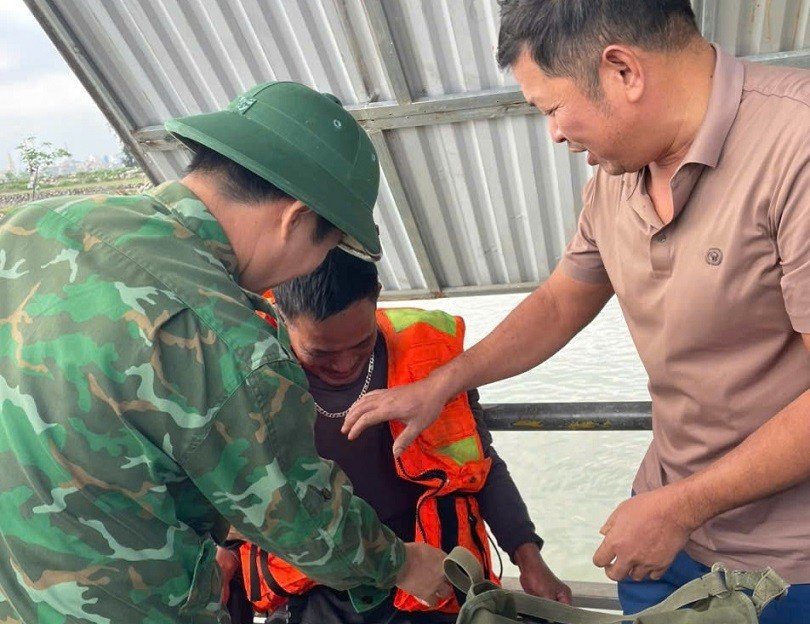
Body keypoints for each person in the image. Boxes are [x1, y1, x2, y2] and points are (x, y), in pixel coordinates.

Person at [341, 2, 810, 622]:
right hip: (663, 528)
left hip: (785, 567)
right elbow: (563, 299)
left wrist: (681, 508)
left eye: (553, 109)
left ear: (623, 71)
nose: (555, 134)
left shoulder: (795, 146)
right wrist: (441, 383)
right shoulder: (620, 170)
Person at [0, 81, 450, 624]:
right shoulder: (223, 336)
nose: (311, 268)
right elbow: (304, 524)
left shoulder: (30, 228)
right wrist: (402, 563)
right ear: (296, 219)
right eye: (325, 248)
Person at [225, 248, 570, 624]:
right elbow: (223, 498)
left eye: (361, 344)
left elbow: (478, 463)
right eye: (320, 353)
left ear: (377, 294)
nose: (343, 364)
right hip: (318, 586)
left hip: (434, 576)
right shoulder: (247, 376)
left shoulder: (430, 353)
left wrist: (528, 556)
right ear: (281, 315)